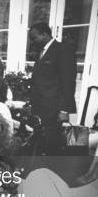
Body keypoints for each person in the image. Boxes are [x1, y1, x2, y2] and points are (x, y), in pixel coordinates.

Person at [28, 23, 77, 154]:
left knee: (52, 142)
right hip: (40, 106)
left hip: (53, 107)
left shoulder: (63, 50)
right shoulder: (42, 52)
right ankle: (40, 167)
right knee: (41, 139)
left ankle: (52, 168)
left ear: (45, 34)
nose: (32, 42)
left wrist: (64, 110)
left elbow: (68, 82)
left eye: (34, 38)